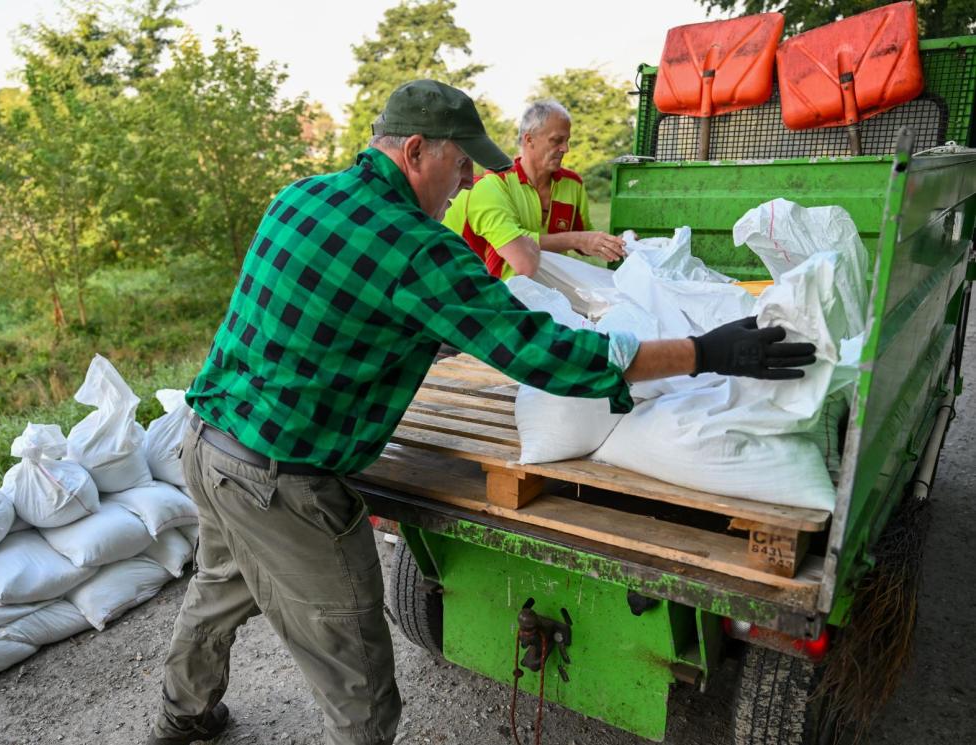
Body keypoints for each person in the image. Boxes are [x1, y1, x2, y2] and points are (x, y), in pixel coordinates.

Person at [148, 80, 815, 745]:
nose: (466, 184)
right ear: (415, 150)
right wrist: (701, 351)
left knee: (220, 583)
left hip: (208, 442)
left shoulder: (301, 197)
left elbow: (330, 315)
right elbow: (542, 351)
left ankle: (183, 713)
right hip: (282, 483)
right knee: (358, 676)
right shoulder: (416, 247)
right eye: (461, 165)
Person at [442, 99, 627, 280]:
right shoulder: (496, 184)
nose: (565, 148)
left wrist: (613, 242)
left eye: (567, 140)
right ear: (529, 139)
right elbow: (519, 246)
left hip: (551, 293)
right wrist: (577, 239)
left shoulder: (573, 184)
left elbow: (584, 235)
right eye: (557, 140)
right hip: (501, 295)